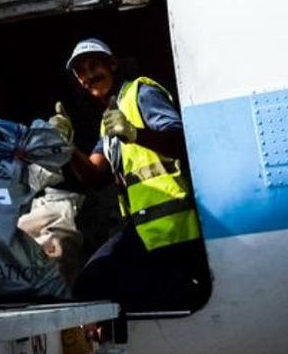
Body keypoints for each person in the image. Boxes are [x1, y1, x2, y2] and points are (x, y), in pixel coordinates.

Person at [50, 38, 210, 312]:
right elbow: (95, 176)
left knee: (98, 284)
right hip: (144, 231)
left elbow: (183, 141)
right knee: (92, 284)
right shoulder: (108, 121)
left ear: (112, 64)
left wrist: (135, 133)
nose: (89, 76)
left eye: (94, 65)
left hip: (175, 230)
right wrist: (68, 148)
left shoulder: (140, 93)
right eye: (81, 72)